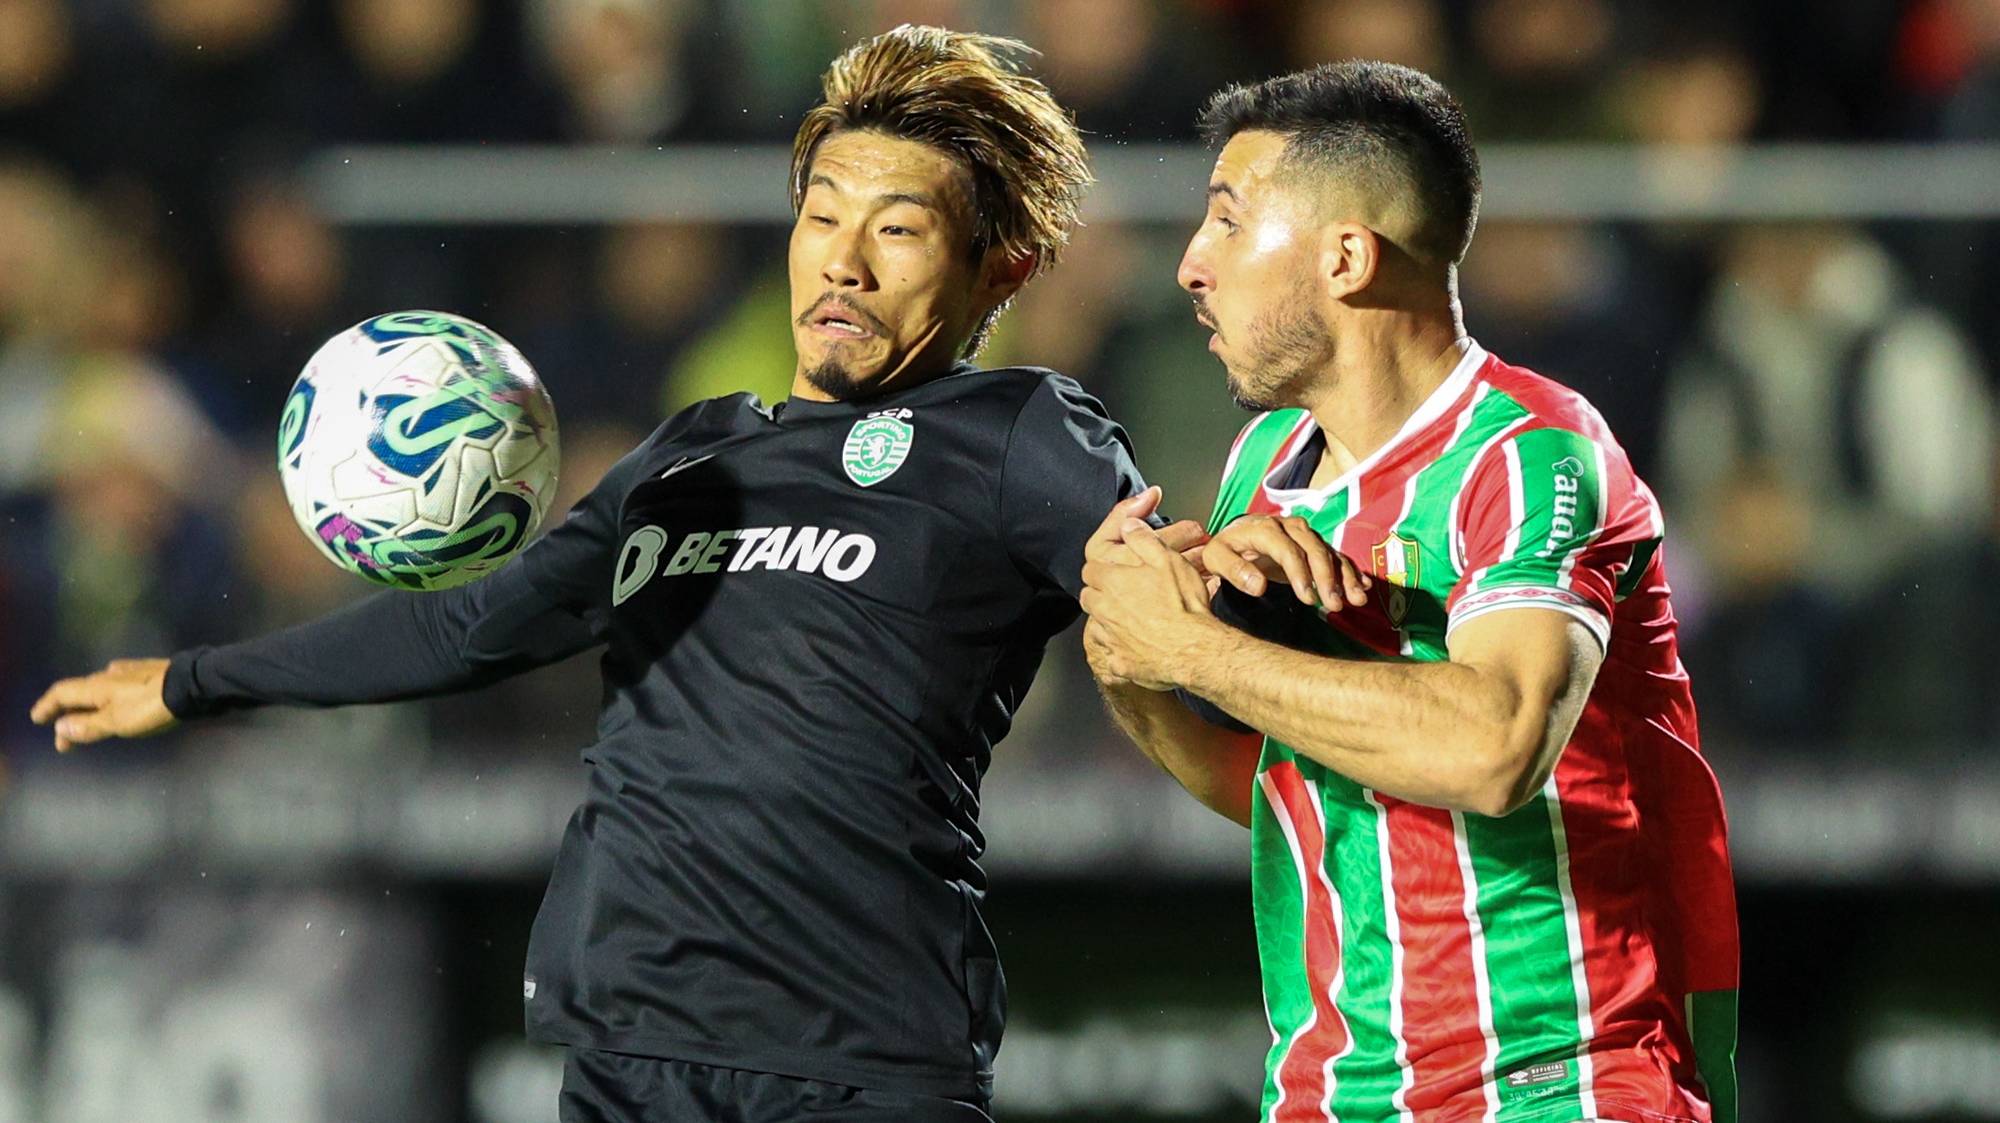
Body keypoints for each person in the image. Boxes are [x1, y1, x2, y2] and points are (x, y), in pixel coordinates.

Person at [30, 25, 1149, 1123]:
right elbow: (469, 627)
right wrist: (193, 680)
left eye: (896, 229)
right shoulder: (691, 454)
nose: (841, 260)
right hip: (633, 1055)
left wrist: (1215, 607)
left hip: (860, 1059)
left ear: (996, 265)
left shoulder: (1015, 434)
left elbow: (1172, 608)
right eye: (819, 217)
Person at [1077, 62, 1740, 1123]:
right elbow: (1278, 786)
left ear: (1345, 257)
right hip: (1335, 1095)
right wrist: (1133, 662)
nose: (1190, 266)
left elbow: (1494, 749)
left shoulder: (1529, 458)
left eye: (1228, 223)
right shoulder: (1266, 463)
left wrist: (1198, 651)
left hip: (1555, 1082)